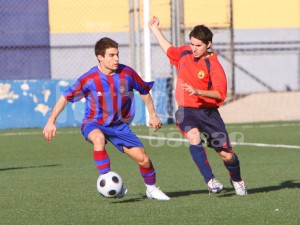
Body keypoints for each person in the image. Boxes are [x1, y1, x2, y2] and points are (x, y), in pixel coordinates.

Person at [43, 37, 170, 200]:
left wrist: (153, 114)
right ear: (100, 57)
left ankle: (151, 189)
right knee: (98, 139)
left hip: (119, 126)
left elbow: (144, 90)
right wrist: (51, 121)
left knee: (144, 160)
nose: (116, 58)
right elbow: (65, 97)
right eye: (111, 55)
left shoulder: (127, 73)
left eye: (117, 54)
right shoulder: (89, 79)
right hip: (94, 123)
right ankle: (108, 180)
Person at [148, 17, 247, 195]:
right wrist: (155, 29)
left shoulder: (214, 66)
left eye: (198, 45)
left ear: (208, 44)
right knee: (193, 136)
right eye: (192, 44)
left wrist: (198, 91)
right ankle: (210, 180)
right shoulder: (186, 53)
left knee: (227, 156)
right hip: (186, 111)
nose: (193, 48)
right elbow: (169, 50)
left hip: (209, 114)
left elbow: (220, 94)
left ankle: (238, 180)